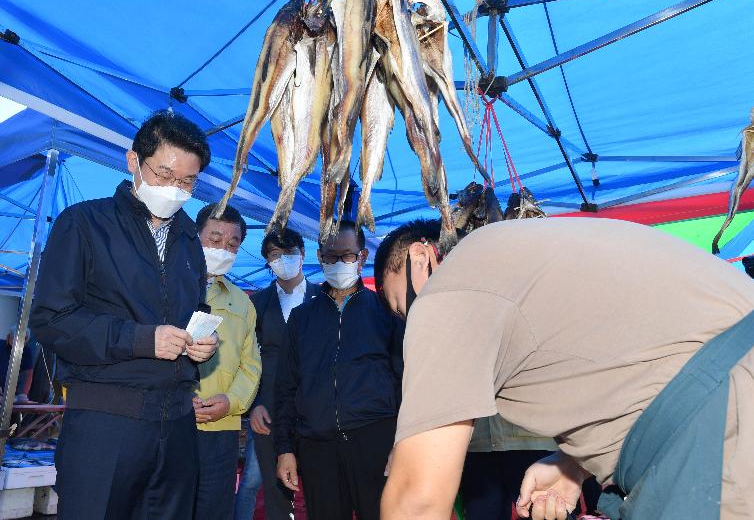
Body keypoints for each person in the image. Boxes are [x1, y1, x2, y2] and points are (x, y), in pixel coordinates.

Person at [375, 218, 754, 520]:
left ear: (421, 256)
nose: (411, 318)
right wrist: (573, 465)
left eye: (403, 301)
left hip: (720, 416)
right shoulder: (510, 254)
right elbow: (630, 351)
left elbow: (415, 506)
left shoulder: (448, 292)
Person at [30, 110, 218, 520]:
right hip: (107, 420)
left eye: (187, 182)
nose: (175, 189)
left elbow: (191, 310)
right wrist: (140, 339)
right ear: (133, 161)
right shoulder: (84, 224)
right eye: (165, 175)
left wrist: (202, 342)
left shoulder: (189, 240)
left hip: (178, 423)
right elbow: (50, 319)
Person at [274, 221, 404, 520]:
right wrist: (284, 449)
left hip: (375, 442)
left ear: (362, 256)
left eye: (347, 255)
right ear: (320, 257)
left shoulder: (385, 311)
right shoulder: (301, 317)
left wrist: (402, 441)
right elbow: (285, 388)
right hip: (317, 447)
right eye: (331, 256)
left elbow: (405, 381)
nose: (338, 262)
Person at [236, 229, 319, 520]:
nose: (283, 260)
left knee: (321, 486)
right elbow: (247, 359)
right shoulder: (256, 303)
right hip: (269, 409)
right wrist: (253, 404)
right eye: (275, 255)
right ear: (267, 261)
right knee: (272, 489)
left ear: (303, 254)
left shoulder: (322, 297)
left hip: (315, 408)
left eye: (289, 253)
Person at [194, 203, 262, 520]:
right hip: (168, 422)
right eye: (215, 238)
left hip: (222, 426)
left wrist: (231, 401)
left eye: (232, 245)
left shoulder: (242, 303)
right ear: (196, 237)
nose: (223, 249)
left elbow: (251, 366)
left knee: (213, 509)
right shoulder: (167, 286)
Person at [0, 329, 34, 403]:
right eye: (13, 337)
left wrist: (23, 394)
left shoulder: (26, 351)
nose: (15, 340)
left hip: (10, 394)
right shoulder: (1, 345)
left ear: (25, 339)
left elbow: (28, 374)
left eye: (19, 338)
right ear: (8, 336)